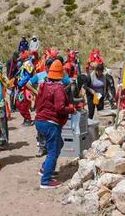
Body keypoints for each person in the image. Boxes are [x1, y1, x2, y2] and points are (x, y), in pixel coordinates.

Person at [35, 60, 75, 189]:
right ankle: (45, 180)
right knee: (53, 151)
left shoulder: (44, 85)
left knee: (59, 144)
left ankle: (45, 168)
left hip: (40, 121)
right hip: (50, 122)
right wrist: (71, 109)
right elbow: (59, 108)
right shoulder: (57, 88)